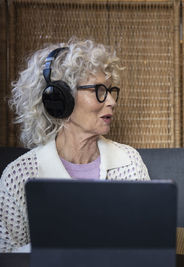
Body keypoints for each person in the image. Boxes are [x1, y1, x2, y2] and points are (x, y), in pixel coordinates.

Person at [0, 38, 150, 252]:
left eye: (110, 90)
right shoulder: (19, 176)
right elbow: (5, 256)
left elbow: (147, 244)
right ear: (60, 99)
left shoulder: (129, 162)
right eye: (98, 91)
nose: (111, 102)